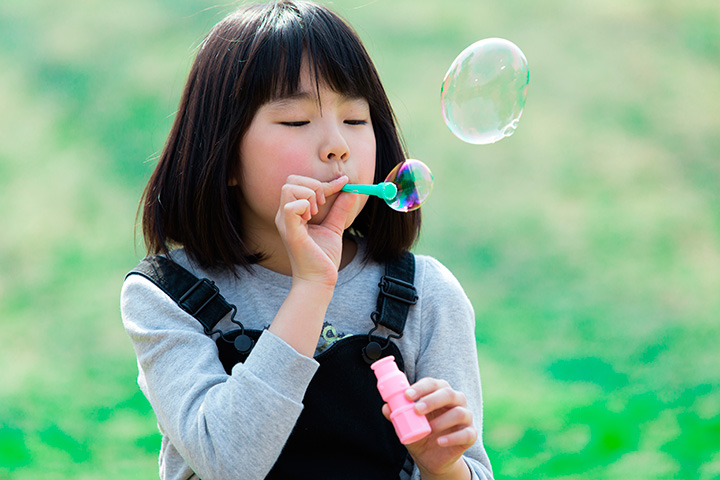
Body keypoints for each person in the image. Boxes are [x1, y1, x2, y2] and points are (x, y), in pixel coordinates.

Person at [120, 1, 494, 479]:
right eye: (297, 121)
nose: (337, 144)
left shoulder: (428, 295)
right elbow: (228, 461)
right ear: (225, 155)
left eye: (356, 120)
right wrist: (312, 286)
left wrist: (442, 465)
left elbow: (474, 471)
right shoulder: (166, 295)